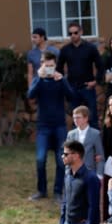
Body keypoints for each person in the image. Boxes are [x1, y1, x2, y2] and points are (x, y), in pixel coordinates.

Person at [28, 51, 73, 202]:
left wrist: (63, 81)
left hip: (59, 125)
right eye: (46, 66)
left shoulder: (60, 80)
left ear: (55, 66)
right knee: (40, 159)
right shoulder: (38, 80)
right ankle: (41, 191)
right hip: (43, 127)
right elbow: (30, 95)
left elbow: (72, 96)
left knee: (61, 160)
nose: (49, 68)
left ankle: (58, 192)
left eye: (51, 66)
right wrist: (39, 79)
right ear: (42, 65)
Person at [57, 21, 104, 129]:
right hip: (72, 88)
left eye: (75, 32)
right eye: (70, 33)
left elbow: (100, 66)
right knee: (76, 118)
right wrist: (64, 85)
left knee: (92, 118)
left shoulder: (90, 48)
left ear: (81, 32)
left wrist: (95, 81)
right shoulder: (65, 50)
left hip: (87, 87)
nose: (73, 35)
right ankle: (76, 144)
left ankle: (95, 144)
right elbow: (59, 69)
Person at [59, 140, 101, 224]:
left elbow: (93, 207)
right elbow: (65, 202)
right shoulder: (67, 175)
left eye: (65, 154)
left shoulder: (91, 178)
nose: (62, 156)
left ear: (76, 155)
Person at [67, 105, 104, 176]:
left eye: (78, 117)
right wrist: (67, 173)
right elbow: (67, 155)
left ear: (86, 118)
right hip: (74, 172)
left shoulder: (95, 134)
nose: (75, 120)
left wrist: (99, 175)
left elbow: (100, 156)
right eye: (74, 118)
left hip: (90, 172)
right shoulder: (71, 134)